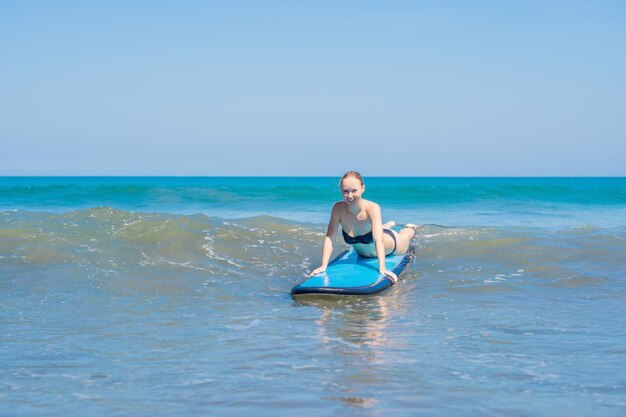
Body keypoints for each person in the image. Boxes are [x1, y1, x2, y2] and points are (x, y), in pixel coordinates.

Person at [309, 171, 418, 283]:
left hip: (391, 247)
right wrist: (323, 265)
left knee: (405, 235)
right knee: (379, 229)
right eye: (345, 191)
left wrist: (382, 268)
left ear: (362, 188)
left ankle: (411, 227)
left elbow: (378, 240)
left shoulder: (372, 208)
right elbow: (329, 238)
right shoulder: (338, 208)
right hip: (363, 252)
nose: (350, 196)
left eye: (354, 190)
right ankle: (387, 225)